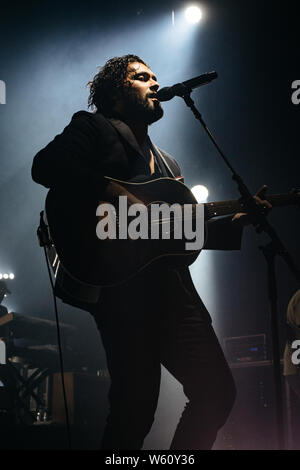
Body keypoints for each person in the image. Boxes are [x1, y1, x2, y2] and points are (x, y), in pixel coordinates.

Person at [31, 54, 270, 450]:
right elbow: (45, 165)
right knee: (135, 411)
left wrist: (236, 222)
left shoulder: (169, 165)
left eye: (156, 77)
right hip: (122, 294)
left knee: (216, 393)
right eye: (142, 77)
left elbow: (172, 236)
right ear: (115, 91)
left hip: (174, 295)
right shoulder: (92, 127)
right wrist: (112, 191)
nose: (155, 84)